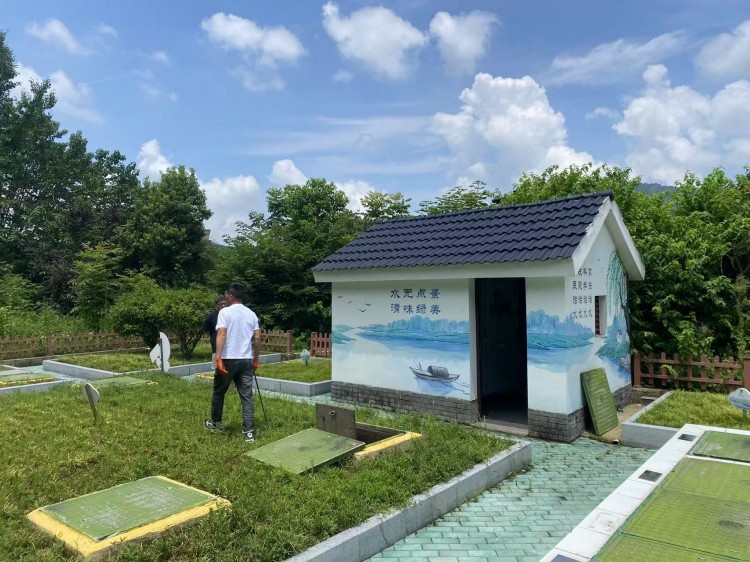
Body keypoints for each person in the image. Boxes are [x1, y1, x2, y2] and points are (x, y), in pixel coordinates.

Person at [203, 283, 261, 443]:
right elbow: (257, 338)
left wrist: (218, 358)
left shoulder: (225, 312)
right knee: (247, 396)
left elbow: (221, 334)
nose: (225, 298)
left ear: (230, 296)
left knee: (219, 392)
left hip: (228, 359)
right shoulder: (251, 314)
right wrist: (256, 359)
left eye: (226, 295)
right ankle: (249, 432)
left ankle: (216, 424)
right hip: (246, 360)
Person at [202, 295, 226, 369]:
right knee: (217, 368)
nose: (223, 305)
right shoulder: (211, 316)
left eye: (224, 303)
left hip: (229, 346)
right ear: (216, 305)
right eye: (221, 304)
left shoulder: (230, 315)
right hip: (216, 346)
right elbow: (206, 330)